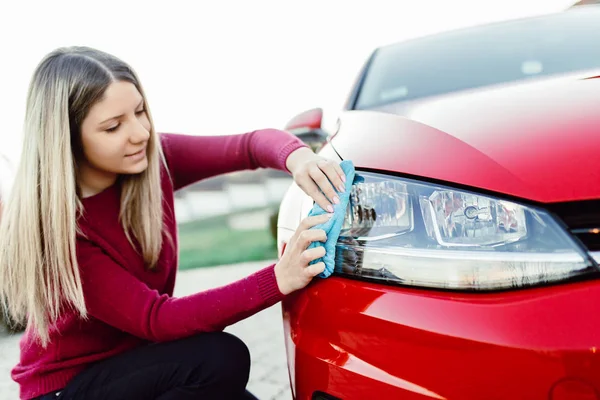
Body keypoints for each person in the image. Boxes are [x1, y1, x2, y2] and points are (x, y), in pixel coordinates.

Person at [0, 46, 348, 400]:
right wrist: (277, 279)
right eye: (113, 126)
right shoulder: (63, 232)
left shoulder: (153, 162)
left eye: (139, 112)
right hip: (68, 389)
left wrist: (299, 157)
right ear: (68, 139)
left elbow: (249, 145)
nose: (140, 133)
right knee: (219, 359)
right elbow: (159, 319)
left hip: (138, 365)